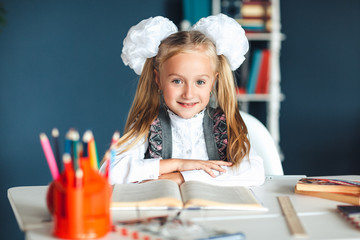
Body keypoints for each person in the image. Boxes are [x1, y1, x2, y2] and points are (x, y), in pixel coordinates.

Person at [101, 14, 265, 186]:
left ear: (213, 81)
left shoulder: (226, 123)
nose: (188, 93)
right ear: (158, 79)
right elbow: (109, 171)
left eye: (200, 82)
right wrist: (179, 164)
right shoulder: (147, 123)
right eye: (177, 81)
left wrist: (182, 177)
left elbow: (255, 172)